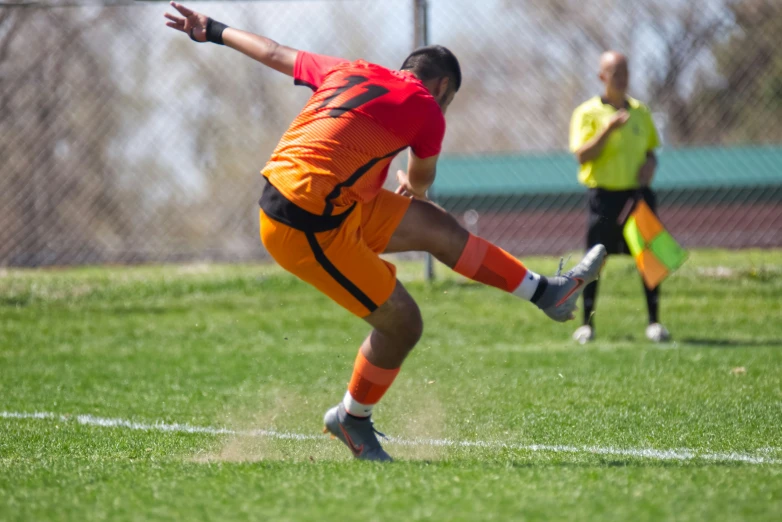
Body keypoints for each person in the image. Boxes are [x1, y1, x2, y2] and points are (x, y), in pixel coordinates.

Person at [164, 2, 606, 462]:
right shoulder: (428, 109)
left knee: (436, 226)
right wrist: (406, 184)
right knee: (403, 323)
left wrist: (211, 30)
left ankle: (546, 293)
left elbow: (274, 51)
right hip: (303, 223)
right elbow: (420, 182)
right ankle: (352, 419)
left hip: (325, 201)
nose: (445, 108)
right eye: (449, 100)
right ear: (442, 87)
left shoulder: (351, 69)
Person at [569, 51, 669, 344]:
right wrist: (607, 129)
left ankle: (654, 322)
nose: (621, 77)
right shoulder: (587, 113)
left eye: (625, 71)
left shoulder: (641, 111)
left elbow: (651, 151)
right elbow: (582, 154)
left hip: (636, 195)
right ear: (602, 76)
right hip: (604, 196)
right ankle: (587, 324)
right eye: (614, 72)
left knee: (649, 258)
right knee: (595, 260)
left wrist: (650, 165)